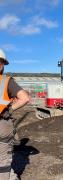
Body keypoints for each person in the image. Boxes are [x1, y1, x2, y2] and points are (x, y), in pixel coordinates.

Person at [0, 49, 30, 180]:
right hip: (2, 125)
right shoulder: (6, 81)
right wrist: (10, 109)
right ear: (3, 64)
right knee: (3, 160)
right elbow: (25, 98)